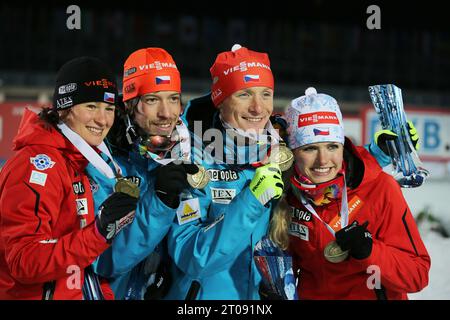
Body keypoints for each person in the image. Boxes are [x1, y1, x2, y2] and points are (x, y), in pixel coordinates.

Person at [269, 87, 430, 299]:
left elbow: (417, 274)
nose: (323, 160)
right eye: (310, 148)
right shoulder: (287, 195)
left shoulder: (380, 188)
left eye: (332, 147)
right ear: (293, 151)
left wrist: (370, 251)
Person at [0, 57, 138, 299]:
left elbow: (80, 265)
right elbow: (24, 260)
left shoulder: (74, 163)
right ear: (64, 108)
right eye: (91, 106)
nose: (103, 120)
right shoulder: (38, 166)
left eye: (109, 109)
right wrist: (97, 234)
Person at [89, 47, 198, 300]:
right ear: (129, 104)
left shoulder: (188, 151)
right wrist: (160, 201)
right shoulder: (101, 160)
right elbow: (104, 261)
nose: (167, 113)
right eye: (152, 100)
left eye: (173, 98)